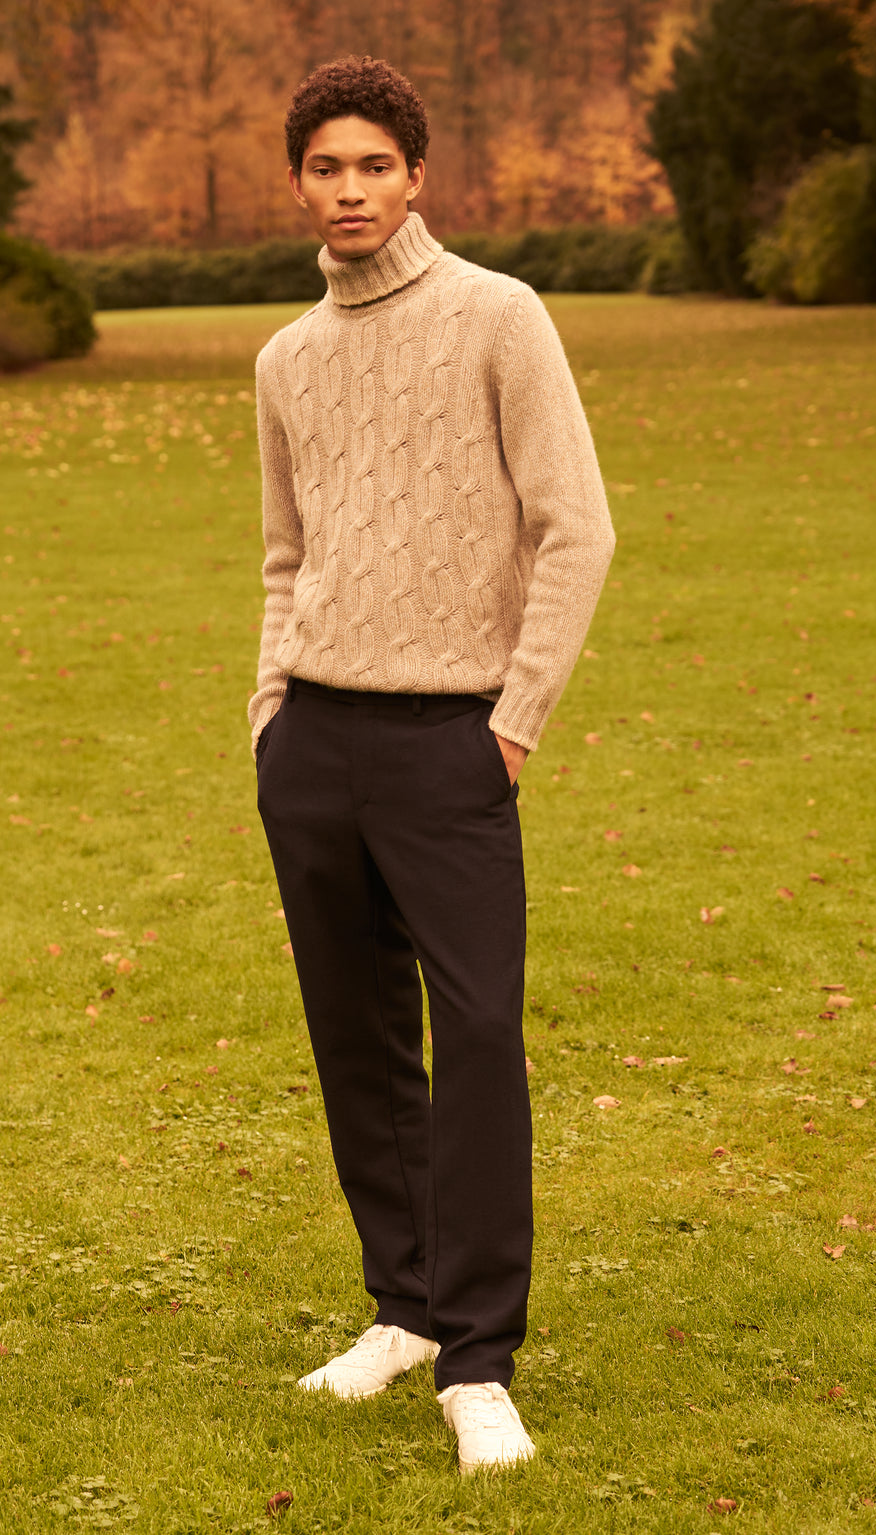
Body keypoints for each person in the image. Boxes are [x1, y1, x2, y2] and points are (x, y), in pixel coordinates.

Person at [250, 54, 614, 1474]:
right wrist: (271, 711)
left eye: (374, 166)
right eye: (326, 168)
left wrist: (515, 719)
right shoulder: (284, 359)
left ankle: (479, 1358)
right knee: (357, 1041)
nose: (350, 190)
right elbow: (287, 556)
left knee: (471, 1043)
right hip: (316, 746)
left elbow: (572, 527)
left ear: (417, 175)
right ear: (301, 183)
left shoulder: (497, 319)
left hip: (457, 743)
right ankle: (400, 1310)